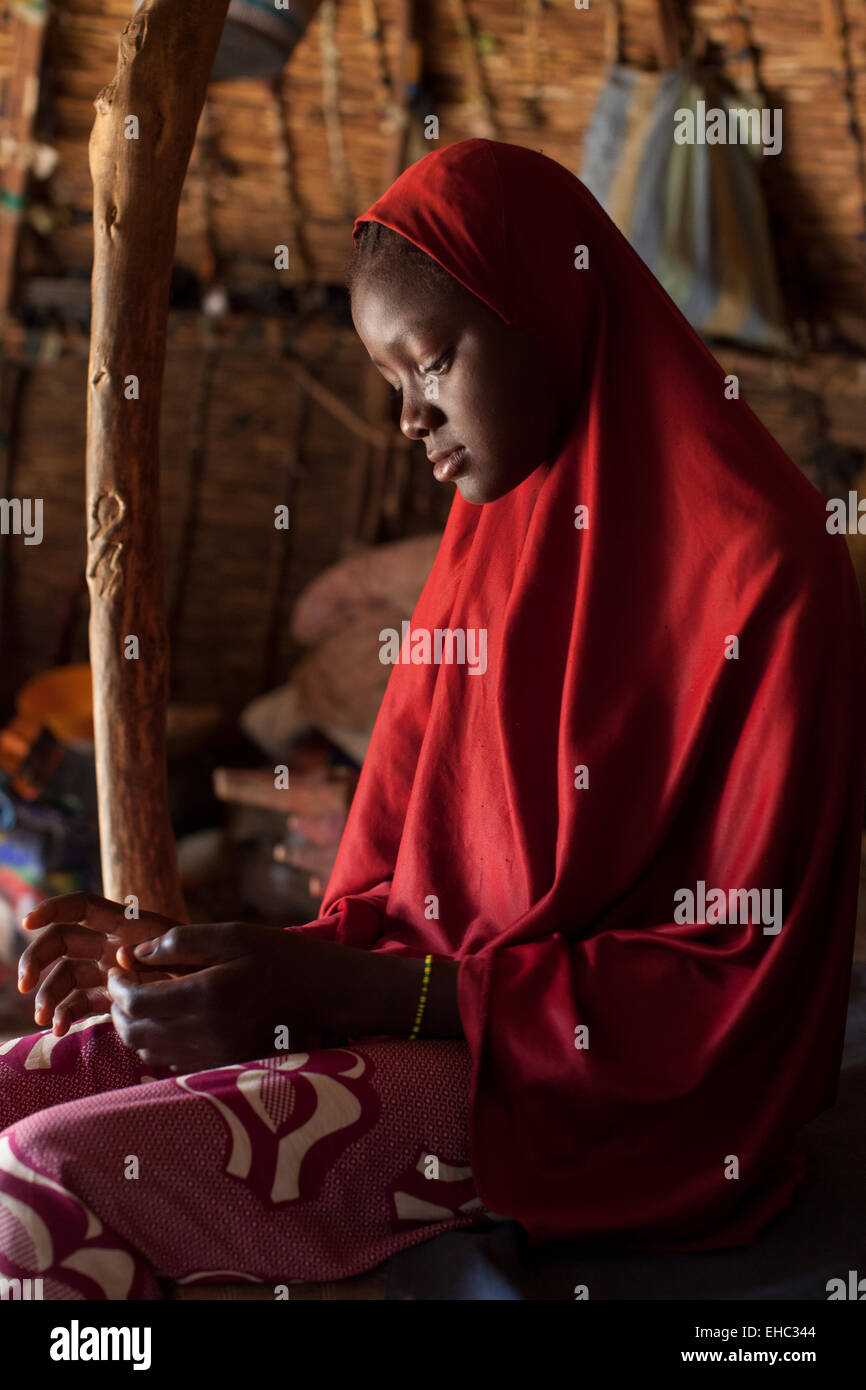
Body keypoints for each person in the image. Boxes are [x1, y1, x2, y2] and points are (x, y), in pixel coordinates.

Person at [1, 139, 863, 1300]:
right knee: (16, 1089)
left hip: (597, 1105)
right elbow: (402, 915)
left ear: (546, 308)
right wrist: (185, 957)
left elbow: (732, 987)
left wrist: (362, 996)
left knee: (47, 1178)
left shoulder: (767, 575)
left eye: (433, 363)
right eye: (392, 383)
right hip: (432, 1025)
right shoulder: (493, 539)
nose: (410, 418)